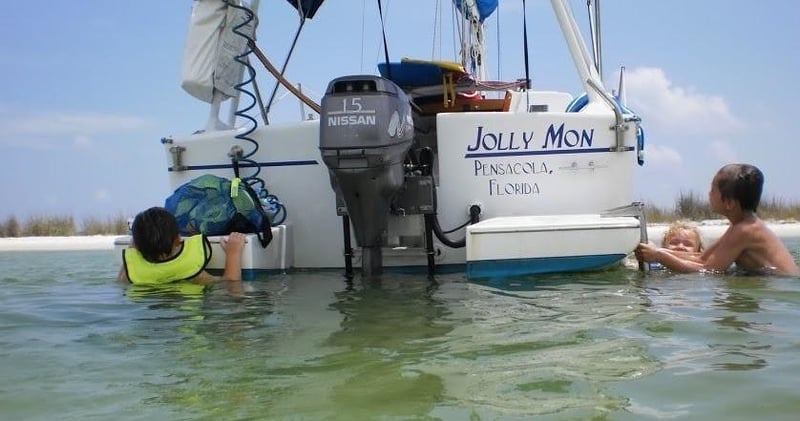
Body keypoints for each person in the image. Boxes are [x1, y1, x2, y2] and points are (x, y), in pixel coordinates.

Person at [636, 164, 800, 276]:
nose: (708, 194)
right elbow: (701, 257)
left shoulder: (745, 230)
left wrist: (658, 256)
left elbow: (708, 271)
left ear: (728, 202)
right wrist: (657, 251)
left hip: (781, 282)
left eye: (712, 190)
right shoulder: (742, 225)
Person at [118, 206, 246, 284]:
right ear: (178, 239)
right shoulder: (191, 274)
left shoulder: (130, 276)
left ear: (137, 246)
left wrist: (135, 244)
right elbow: (230, 283)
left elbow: (123, 276)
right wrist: (233, 254)